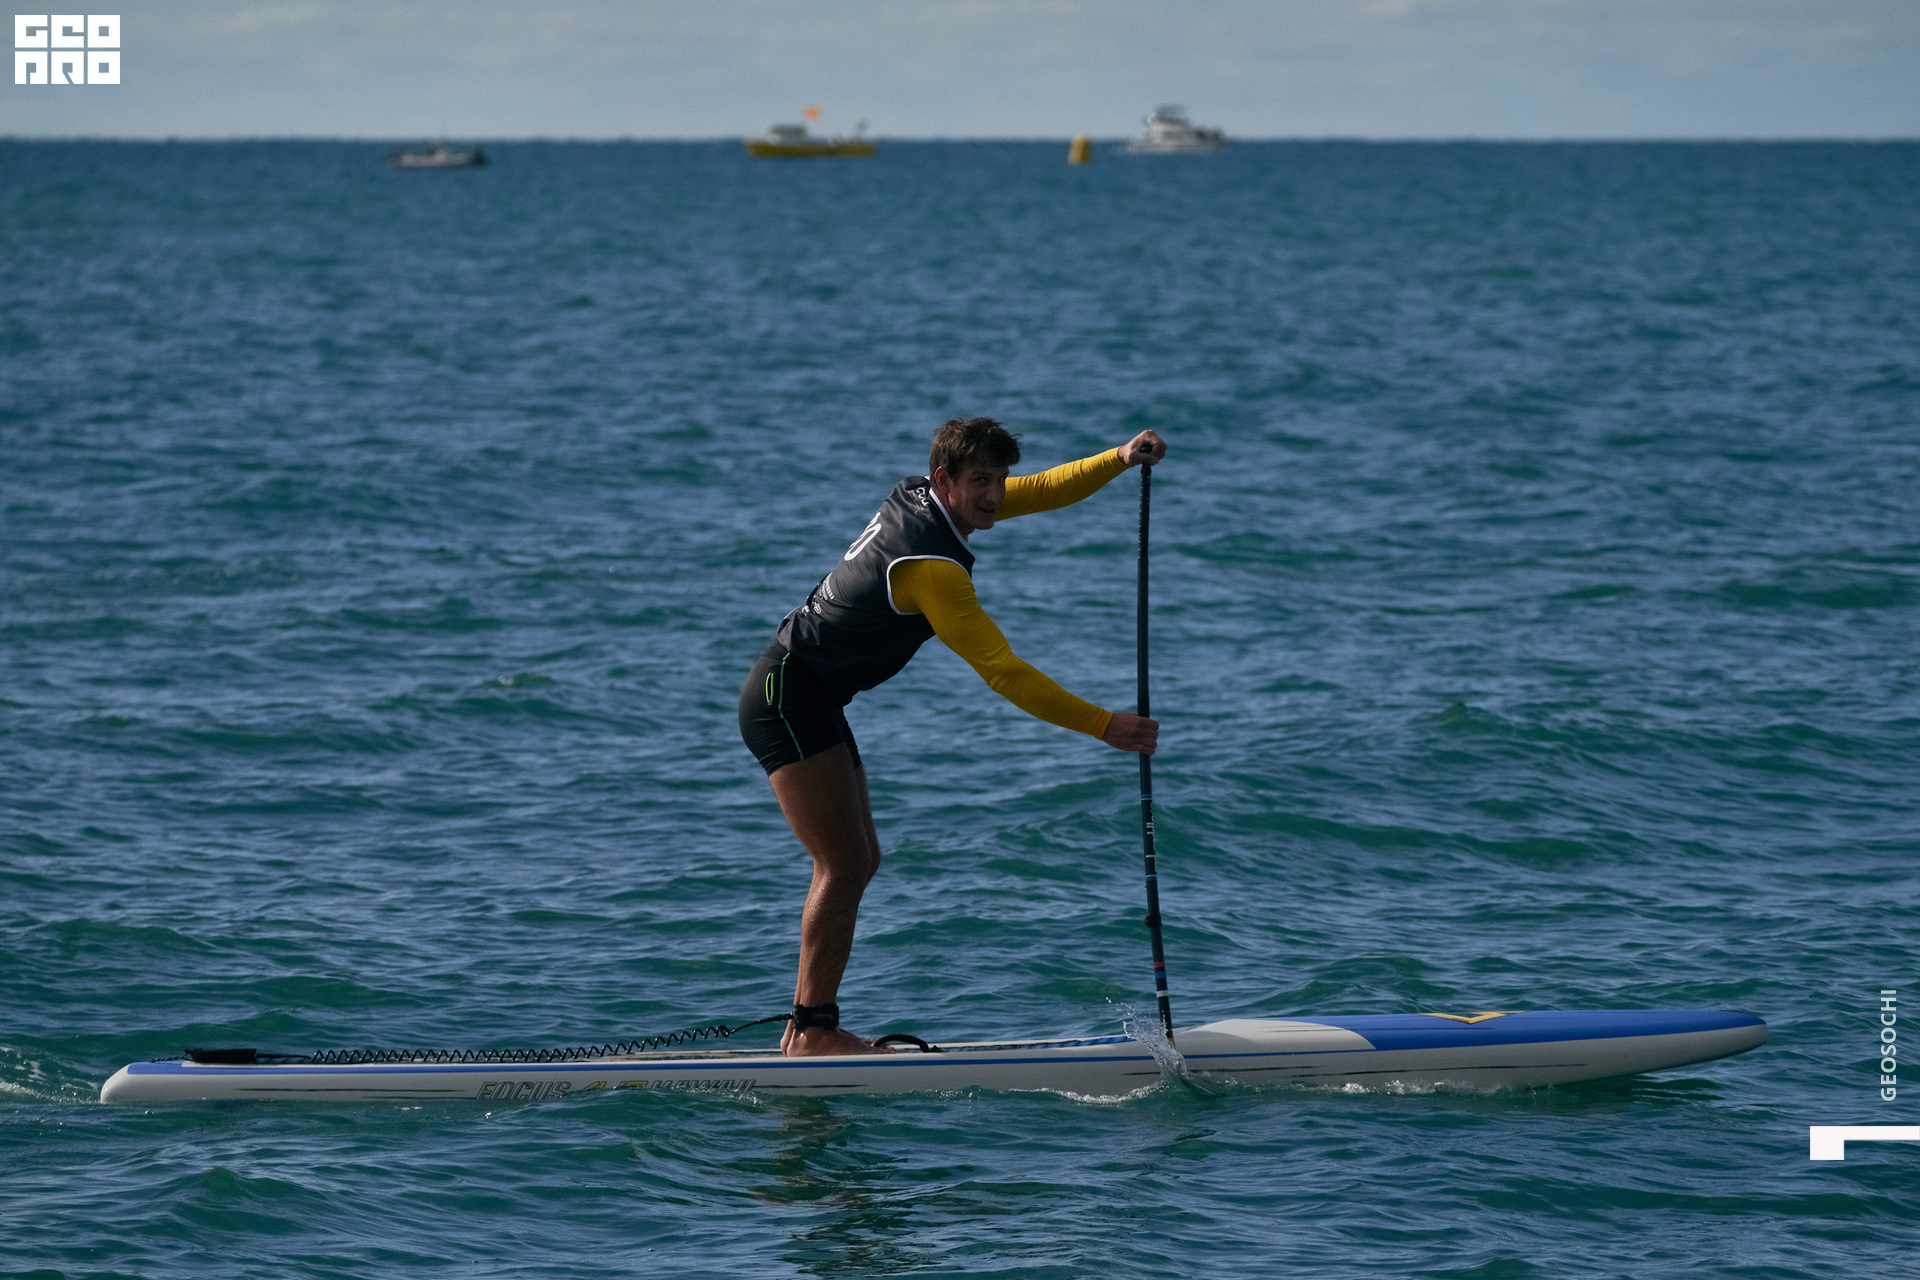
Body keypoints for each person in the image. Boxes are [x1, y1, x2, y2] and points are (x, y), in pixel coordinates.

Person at [739, 418, 1169, 1056]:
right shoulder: (934, 570)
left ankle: (805, 1030)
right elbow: (1002, 670)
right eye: (981, 482)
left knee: (858, 860)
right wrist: (1105, 725)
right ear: (945, 479)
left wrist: (1121, 457)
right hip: (786, 700)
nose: (995, 495)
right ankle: (812, 1031)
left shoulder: (924, 496)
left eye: (999, 480)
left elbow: (1042, 488)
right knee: (843, 863)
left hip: (812, 697)